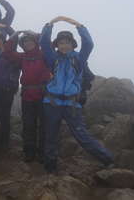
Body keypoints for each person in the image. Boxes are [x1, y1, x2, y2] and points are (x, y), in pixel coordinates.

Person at [39, 16, 114, 174]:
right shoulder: (53, 58)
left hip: (72, 105)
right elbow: (44, 42)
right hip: (52, 103)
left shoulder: (79, 59)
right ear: (57, 45)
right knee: (51, 137)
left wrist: (78, 25)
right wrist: (50, 24)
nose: (64, 45)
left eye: (67, 42)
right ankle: (50, 168)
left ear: (72, 44)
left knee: (82, 136)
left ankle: (108, 159)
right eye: (60, 43)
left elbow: (88, 44)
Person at [4, 31, 50, 163]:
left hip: (43, 94)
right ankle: (29, 153)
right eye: (25, 42)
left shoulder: (44, 54)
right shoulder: (22, 57)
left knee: (44, 125)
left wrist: (34, 34)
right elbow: (7, 52)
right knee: (28, 125)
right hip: (27, 95)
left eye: (30, 41)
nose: (28, 43)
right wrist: (14, 35)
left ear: (36, 42)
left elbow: (49, 44)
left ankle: (42, 152)